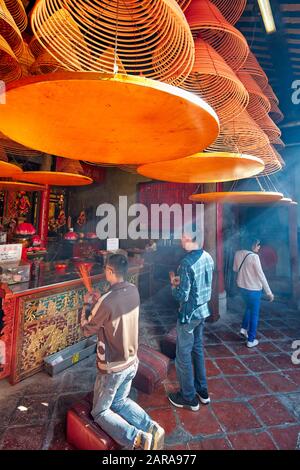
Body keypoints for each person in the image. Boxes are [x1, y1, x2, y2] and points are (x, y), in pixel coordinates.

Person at [81, 254, 164, 450]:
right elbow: (112, 311)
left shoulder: (107, 301)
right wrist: (99, 301)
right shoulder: (134, 290)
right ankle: (152, 428)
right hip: (131, 361)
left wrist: (87, 304)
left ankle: (137, 438)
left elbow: (86, 329)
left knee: (100, 412)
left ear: (110, 271)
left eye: (105, 270)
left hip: (113, 365)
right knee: (120, 400)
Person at [168, 234, 214, 412]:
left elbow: (182, 296)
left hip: (188, 315)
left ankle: (188, 397)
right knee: (197, 350)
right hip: (203, 311)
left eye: (182, 236)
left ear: (189, 238)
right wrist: (182, 282)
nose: (180, 240)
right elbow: (201, 283)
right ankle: (202, 391)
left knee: (183, 355)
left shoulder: (186, 263)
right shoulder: (207, 256)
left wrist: (173, 285)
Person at [233, 238, 274, 348]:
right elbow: (261, 275)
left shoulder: (237, 253)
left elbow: (235, 269)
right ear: (252, 245)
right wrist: (269, 292)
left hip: (242, 288)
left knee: (248, 308)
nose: (259, 247)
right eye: (257, 245)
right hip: (254, 290)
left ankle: (243, 329)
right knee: (254, 314)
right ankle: (251, 340)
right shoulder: (254, 257)